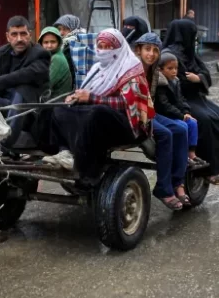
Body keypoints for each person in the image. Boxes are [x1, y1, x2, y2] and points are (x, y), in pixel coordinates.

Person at [43, 29, 154, 188]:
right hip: (100, 118)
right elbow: (87, 91)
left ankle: (89, 171)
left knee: (97, 113)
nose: (102, 51)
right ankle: (65, 151)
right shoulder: (97, 68)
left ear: (118, 48)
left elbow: (130, 104)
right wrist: (76, 97)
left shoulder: (131, 69)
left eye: (107, 47)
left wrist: (92, 98)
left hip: (129, 125)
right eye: (100, 46)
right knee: (59, 108)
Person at [161, 18, 219, 185]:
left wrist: (199, 78)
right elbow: (175, 80)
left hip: (196, 97)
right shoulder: (170, 54)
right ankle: (208, 171)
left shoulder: (189, 53)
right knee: (205, 120)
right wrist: (193, 79)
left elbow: (204, 73)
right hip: (180, 100)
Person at [133, 32, 189, 210]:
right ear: (139, 50)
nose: (151, 54)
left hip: (149, 112)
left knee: (182, 129)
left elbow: (152, 98)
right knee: (165, 135)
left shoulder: (155, 71)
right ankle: (163, 188)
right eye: (147, 49)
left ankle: (177, 183)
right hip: (135, 114)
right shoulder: (133, 68)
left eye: (155, 50)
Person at [0, 16, 51, 147]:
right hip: (5, 106)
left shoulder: (41, 54)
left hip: (29, 113)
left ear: (29, 35)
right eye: (14, 34)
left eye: (23, 34)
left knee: (24, 89)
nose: (19, 39)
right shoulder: (1, 54)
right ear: (8, 37)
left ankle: (5, 143)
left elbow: (25, 75)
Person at [38, 26, 72, 98]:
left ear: (59, 43)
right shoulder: (48, 56)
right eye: (46, 42)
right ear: (41, 44)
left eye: (53, 42)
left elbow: (45, 85)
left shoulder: (57, 58)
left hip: (56, 103)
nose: (49, 45)